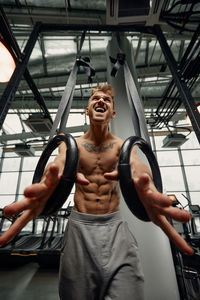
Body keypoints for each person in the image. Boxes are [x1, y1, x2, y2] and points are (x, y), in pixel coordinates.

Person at [0, 84, 194, 299]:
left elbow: (138, 169)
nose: (100, 101)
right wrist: (47, 185)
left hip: (116, 230)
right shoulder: (71, 145)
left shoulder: (123, 147)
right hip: (79, 230)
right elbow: (56, 166)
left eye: (107, 100)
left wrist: (148, 187)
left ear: (112, 112)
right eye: (95, 99)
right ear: (87, 110)